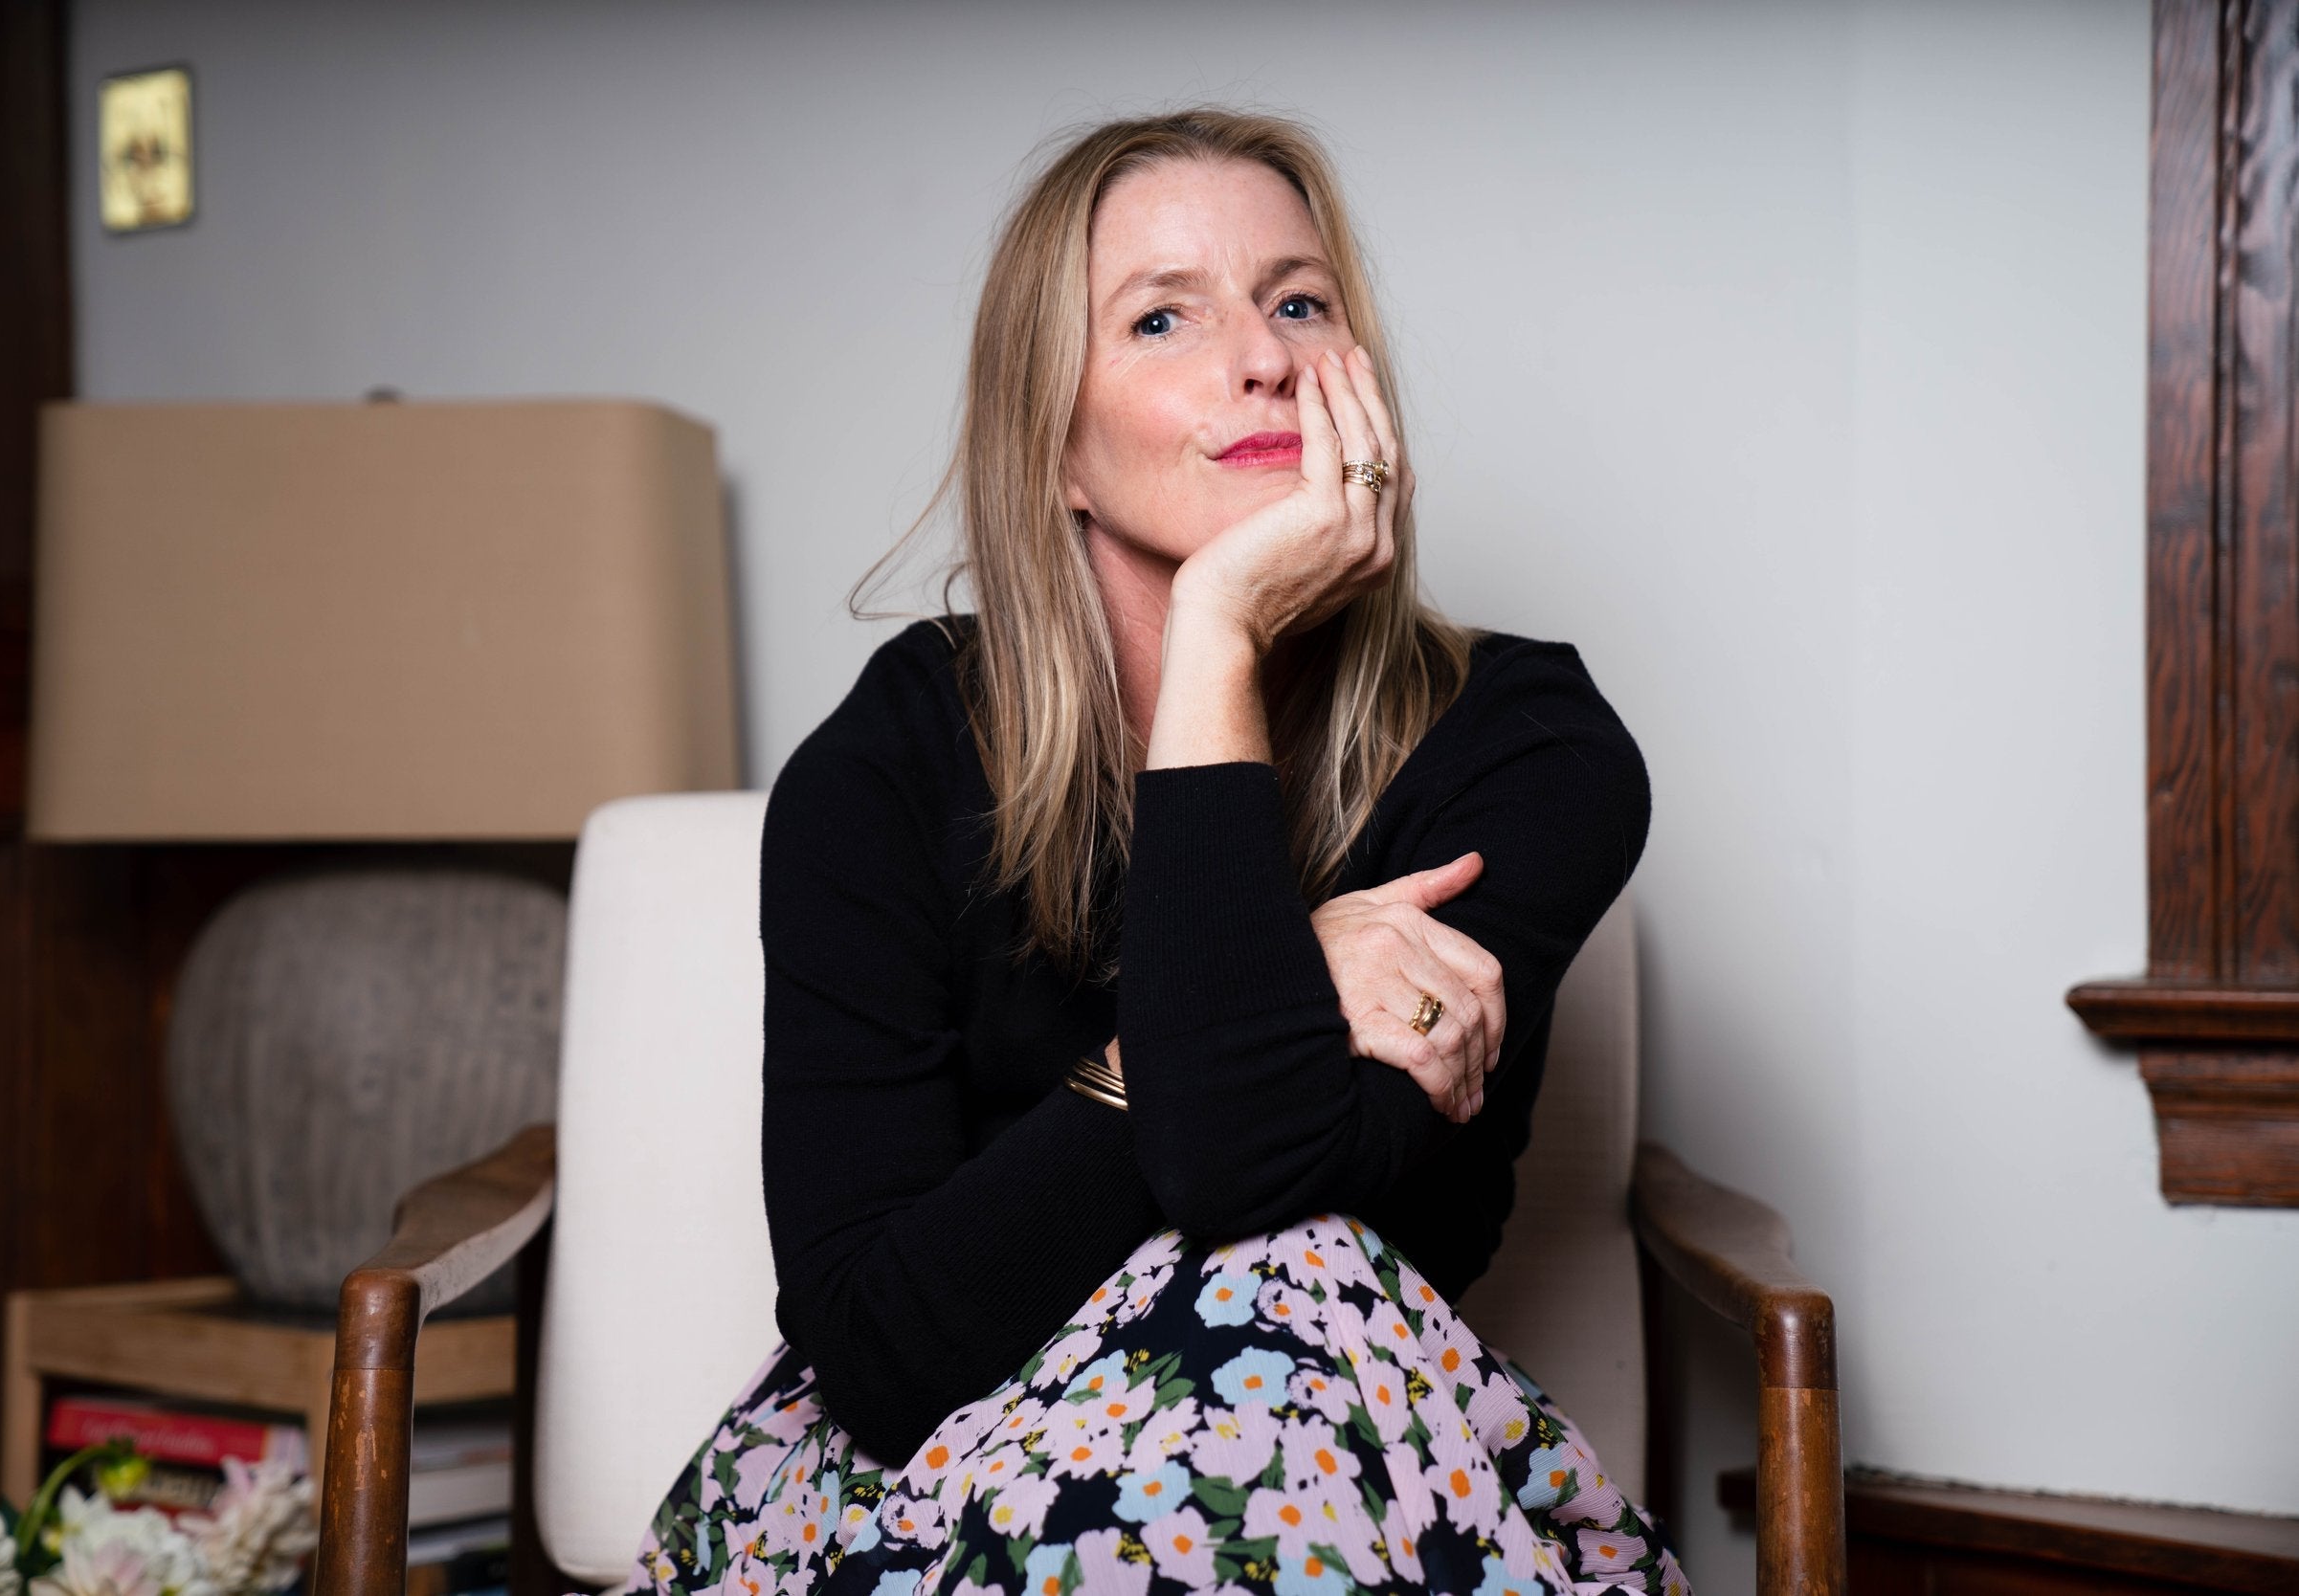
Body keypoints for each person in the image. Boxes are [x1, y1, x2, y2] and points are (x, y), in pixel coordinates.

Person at [632, 109, 1685, 1596]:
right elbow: (875, 1350)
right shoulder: (885, 766)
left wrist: (1215, 636)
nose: (1259, 356)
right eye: (1163, 316)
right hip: (923, 1479)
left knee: (1288, 1281)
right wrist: (1285, 968)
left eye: (1298, 303)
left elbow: (1249, 1174)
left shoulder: (1529, 749)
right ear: (1052, 444)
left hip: (1329, 1453)